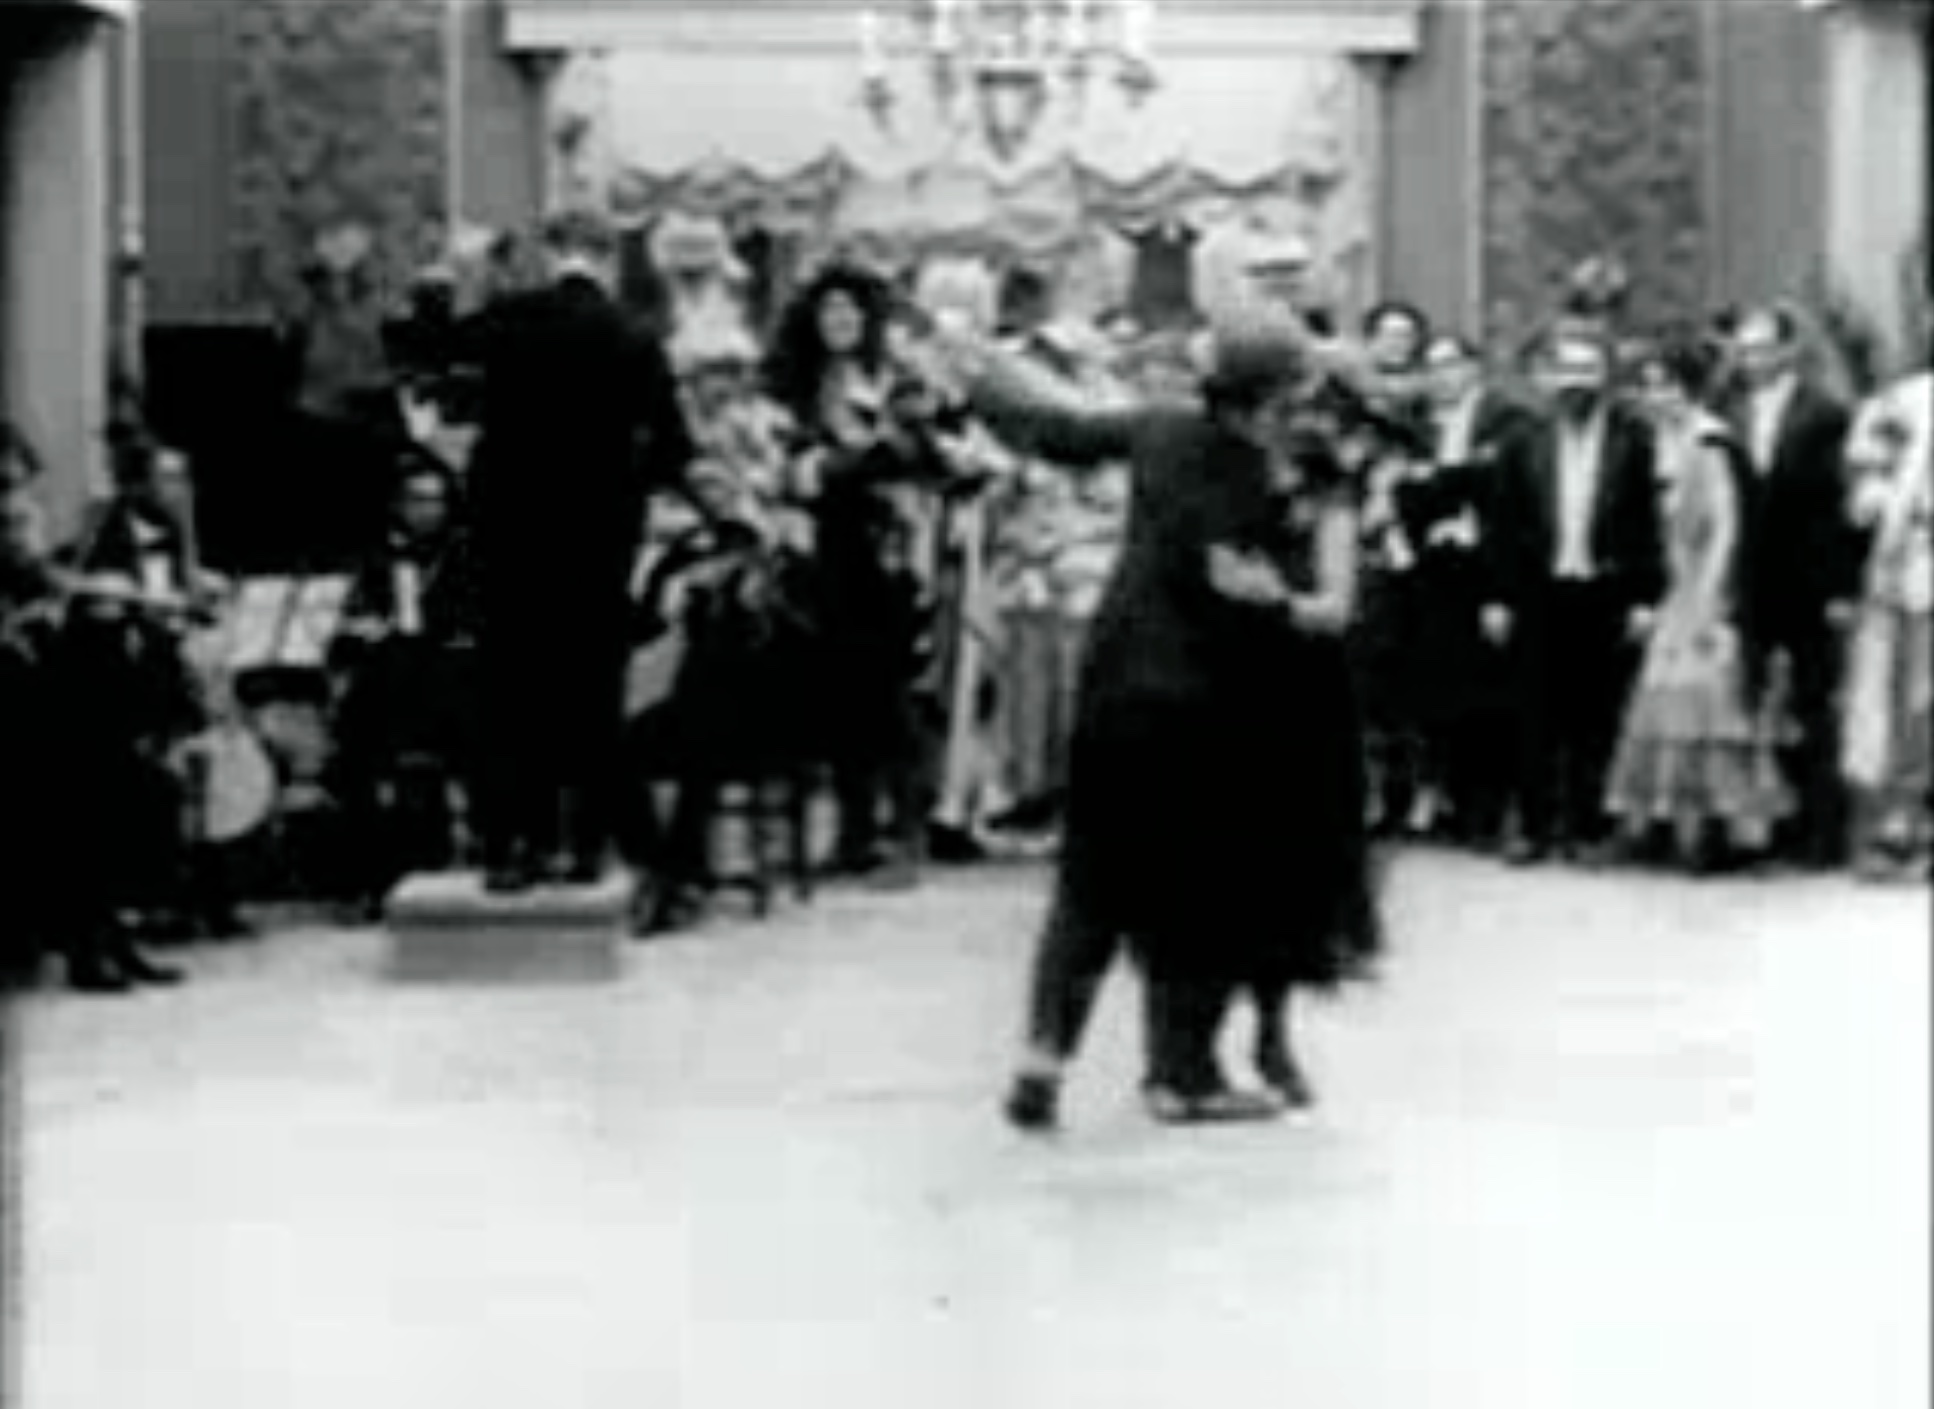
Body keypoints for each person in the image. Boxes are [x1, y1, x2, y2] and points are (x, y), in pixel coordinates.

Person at [935, 308, 1380, 1132]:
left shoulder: (1160, 430)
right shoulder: (1274, 475)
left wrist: (977, 367)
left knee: (1089, 880)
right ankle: (1184, 1075)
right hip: (1208, 706)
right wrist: (1282, 597)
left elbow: (1057, 428)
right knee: (1196, 887)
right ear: (1274, 398)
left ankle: (1042, 1058)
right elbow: (1258, 591)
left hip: (1115, 687)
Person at [465, 208, 693, 893]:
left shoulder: (505, 323)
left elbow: (441, 377)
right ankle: (586, 848)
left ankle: (511, 847)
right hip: (597, 542)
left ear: (551, 253)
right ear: (606, 258)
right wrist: (625, 486)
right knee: (591, 698)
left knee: (510, 696)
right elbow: (674, 448)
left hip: (508, 537)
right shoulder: (633, 335)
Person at [1602, 341, 1790, 871]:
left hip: (1707, 590)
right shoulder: (1653, 443)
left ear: (1692, 389)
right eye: (1649, 386)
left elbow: (1728, 528)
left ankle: (1715, 830)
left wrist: (1711, 600)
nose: (1658, 396)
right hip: (1670, 587)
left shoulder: (1711, 443)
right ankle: (1664, 825)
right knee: (1662, 710)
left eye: (1669, 385)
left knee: (1709, 709)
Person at [1485, 331, 1665, 865]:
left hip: (1606, 592)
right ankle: (1533, 827)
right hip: (1536, 592)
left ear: (1606, 377)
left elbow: (1647, 526)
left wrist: (1645, 599)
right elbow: (1502, 523)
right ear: (1548, 376)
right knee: (1533, 715)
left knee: (1596, 715)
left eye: (1588, 370)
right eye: (1567, 370)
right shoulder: (1521, 439)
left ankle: (1588, 829)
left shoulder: (1634, 440)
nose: (1576, 382)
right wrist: (1497, 598)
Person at [1727, 305, 1861, 869]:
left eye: (1762, 348)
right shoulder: (1728, 411)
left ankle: (1823, 832)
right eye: (1744, 349)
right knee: (1752, 700)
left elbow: (1839, 509)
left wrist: (1840, 589)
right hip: (1748, 582)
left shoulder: (1824, 414)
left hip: (1808, 580)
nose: (1751, 359)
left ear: (1788, 350)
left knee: (1814, 704)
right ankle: (1767, 826)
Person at [328, 461, 481, 916]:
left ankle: (438, 854)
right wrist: (361, 627)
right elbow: (349, 622)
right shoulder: (377, 559)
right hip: (389, 682)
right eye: (417, 500)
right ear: (397, 505)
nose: (428, 510)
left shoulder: (466, 554)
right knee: (354, 745)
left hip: (454, 681)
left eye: (436, 500)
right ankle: (368, 876)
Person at [1417, 333, 1532, 846]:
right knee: (1450, 693)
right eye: (1432, 366)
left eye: (1451, 364)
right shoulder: (1423, 425)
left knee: (1498, 695)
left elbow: (1502, 493)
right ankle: (1465, 811)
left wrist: (1445, 483)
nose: (1441, 375)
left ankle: (1507, 809)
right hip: (1439, 574)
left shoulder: (1507, 420)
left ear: (1474, 366)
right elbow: (1410, 493)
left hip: (1493, 570)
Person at [1840, 365, 1933, 879]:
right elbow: (1866, 473)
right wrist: (1876, 494)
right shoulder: (1906, 399)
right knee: (1911, 698)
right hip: (1913, 570)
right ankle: (1904, 818)